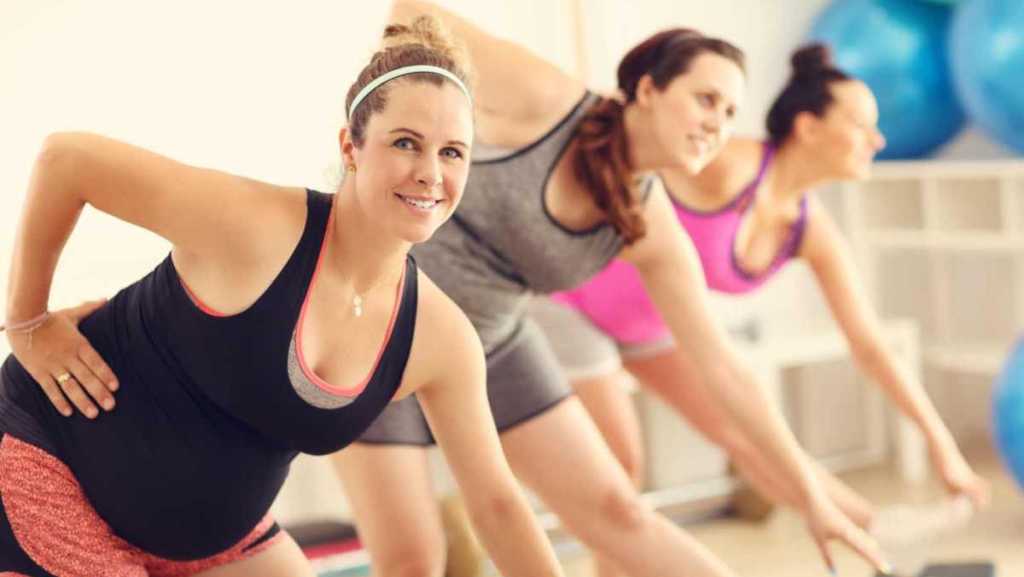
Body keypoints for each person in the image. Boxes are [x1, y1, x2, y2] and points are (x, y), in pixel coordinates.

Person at [331, 3, 891, 576]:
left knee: (619, 512)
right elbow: (403, 12)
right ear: (647, 89)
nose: (717, 124)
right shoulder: (549, 102)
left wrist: (814, 502)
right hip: (378, 325)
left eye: (729, 111)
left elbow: (723, 371)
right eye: (705, 99)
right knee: (413, 562)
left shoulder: (651, 226)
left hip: (491, 344)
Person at [0, 17, 565, 577]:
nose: (429, 173)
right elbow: (67, 159)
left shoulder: (438, 338)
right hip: (53, 470)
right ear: (351, 146)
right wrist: (27, 322)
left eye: (452, 153)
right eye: (405, 143)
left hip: (217, 538)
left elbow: (498, 506)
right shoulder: (257, 229)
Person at [539, 43, 991, 538]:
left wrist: (941, 446)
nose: (878, 140)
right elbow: (626, 139)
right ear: (809, 127)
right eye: (861, 125)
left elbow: (870, 345)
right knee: (622, 467)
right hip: (572, 301)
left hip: (650, 323)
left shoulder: (808, 228)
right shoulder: (728, 165)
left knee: (749, 434)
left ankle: (873, 533)